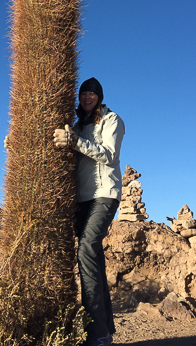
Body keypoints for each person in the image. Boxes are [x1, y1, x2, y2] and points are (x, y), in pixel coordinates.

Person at [54, 78, 125, 346]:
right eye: (84, 93)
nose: (87, 97)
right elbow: (61, 148)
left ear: (99, 97)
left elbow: (109, 154)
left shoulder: (112, 120)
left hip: (105, 195)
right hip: (82, 199)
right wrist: (18, 143)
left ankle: (95, 334)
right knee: (92, 256)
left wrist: (76, 141)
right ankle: (105, 331)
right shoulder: (78, 126)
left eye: (92, 93)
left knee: (85, 251)